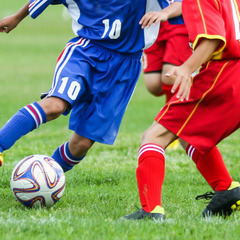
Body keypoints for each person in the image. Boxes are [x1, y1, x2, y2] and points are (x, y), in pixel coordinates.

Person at [0, 0, 183, 180]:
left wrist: (165, 13)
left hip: (124, 68)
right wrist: (17, 17)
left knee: (81, 144)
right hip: (86, 53)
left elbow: (184, 4)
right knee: (55, 105)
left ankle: (46, 178)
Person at [123, 0, 240, 221]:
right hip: (235, 73)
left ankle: (151, 210)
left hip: (224, 75)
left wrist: (187, 68)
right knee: (187, 134)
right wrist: (167, 12)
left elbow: (212, 38)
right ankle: (226, 190)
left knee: (154, 136)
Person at [142, 21, 192, 149]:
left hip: (180, 20)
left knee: (170, 76)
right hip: (154, 21)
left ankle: (172, 121)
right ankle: (173, 115)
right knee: (153, 84)